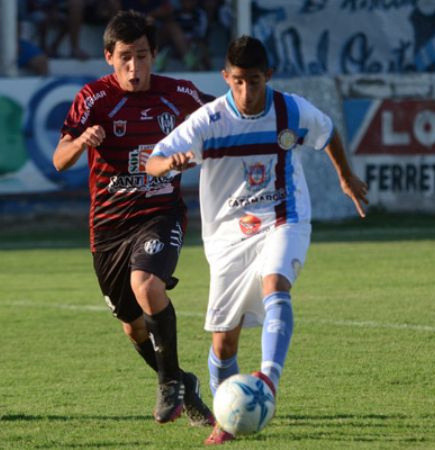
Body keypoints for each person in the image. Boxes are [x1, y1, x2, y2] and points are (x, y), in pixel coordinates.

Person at [145, 35, 369, 444]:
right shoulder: (209, 121)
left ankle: (267, 379)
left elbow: (328, 131)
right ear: (225, 77)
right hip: (228, 235)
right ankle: (227, 419)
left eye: (254, 81)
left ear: (269, 75)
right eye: (237, 82)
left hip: (284, 216)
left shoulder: (289, 109)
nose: (246, 92)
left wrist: (344, 175)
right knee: (224, 341)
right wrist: (168, 165)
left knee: (275, 283)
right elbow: (153, 159)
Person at [52, 10, 215, 426]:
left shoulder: (178, 92)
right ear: (109, 56)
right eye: (125, 56)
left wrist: (194, 155)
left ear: (154, 54)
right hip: (108, 229)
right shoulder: (93, 99)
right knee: (133, 328)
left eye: (142, 56)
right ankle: (181, 381)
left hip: (159, 214)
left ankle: (168, 387)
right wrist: (82, 141)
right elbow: (59, 159)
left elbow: (221, 121)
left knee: (146, 284)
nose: (134, 67)